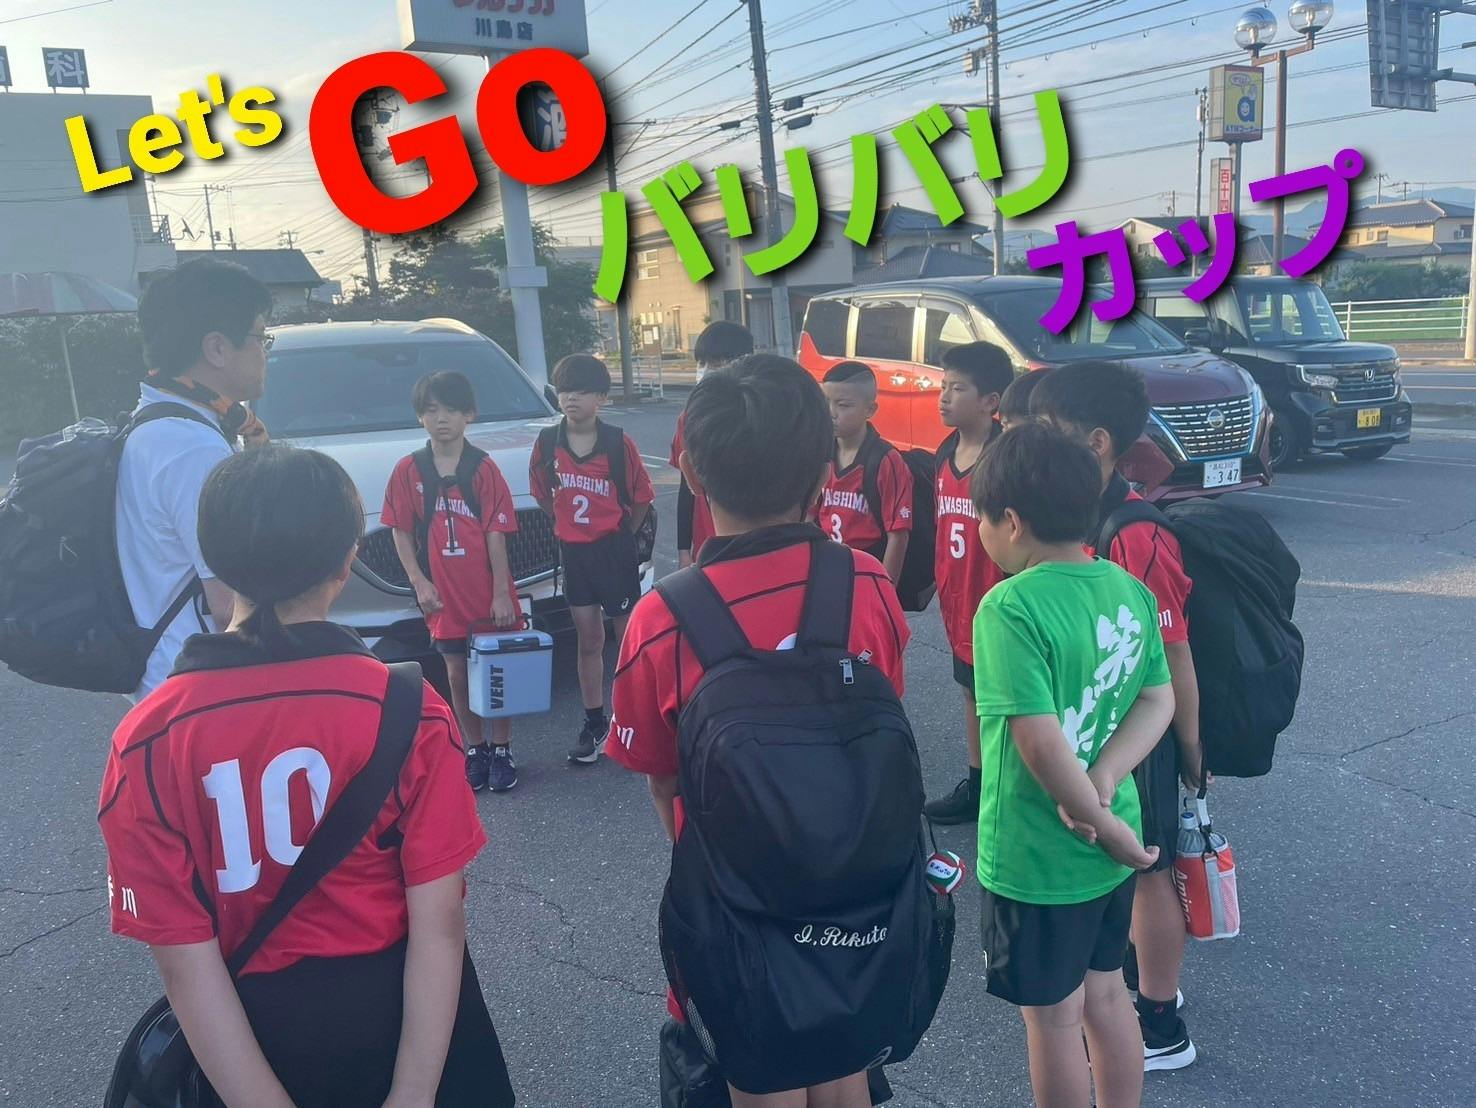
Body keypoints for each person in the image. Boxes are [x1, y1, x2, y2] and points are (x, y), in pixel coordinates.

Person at [98, 446, 514, 1108]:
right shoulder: (409, 708)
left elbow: (184, 962)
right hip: (400, 1019)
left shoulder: (146, 740)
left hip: (246, 1036)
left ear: (213, 557)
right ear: (348, 559)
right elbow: (440, 922)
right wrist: (412, 1095)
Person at [606, 355, 909, 1108]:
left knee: (755, 1071)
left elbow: (663, 779)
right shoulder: (867, 582)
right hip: (853, 901)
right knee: (843, 1063)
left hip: (733, 909)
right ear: (822, 477)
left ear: (693, 475)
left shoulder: (661, 617)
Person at [970, 421, 1175, 1108]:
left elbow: (1038, 741)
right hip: (1110, 843)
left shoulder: (1010, 606)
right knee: (1107, 994)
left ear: (1012, 521)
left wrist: (1096, 818)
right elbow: (1158, 698)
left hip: (1039, 855)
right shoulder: (1126, 588)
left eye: (983, 521)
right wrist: (1108, 783)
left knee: (1054, 1019)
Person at [1030, 361, 1205, 1072]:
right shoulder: (1071, 515)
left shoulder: (1135, 532)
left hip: (1140, 735)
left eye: (1048, 429)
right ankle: (1129, 987)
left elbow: (1175, 653)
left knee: (1149, 866)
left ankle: (1161, 1020)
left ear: (1096, 441)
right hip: (1095, 723)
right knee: (1118, 861)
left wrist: (1192, 751)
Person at [118, 258, 274, 700]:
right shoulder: (193, 447)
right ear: (217, 348)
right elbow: (230, 607)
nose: (265, 352)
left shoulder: (154, 421)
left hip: (168, 679)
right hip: (201, 691)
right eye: (260, 337)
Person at [382, 372, 521, 793]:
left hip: (486, 590)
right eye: (431, 410)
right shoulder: (408, 470)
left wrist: (501, 593)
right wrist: (419, 583)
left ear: (469, 415)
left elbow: (496, 532)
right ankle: (475, 746)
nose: (441, 418)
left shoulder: (483, 468)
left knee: (496, 674)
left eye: (450, 410)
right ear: (420, 417)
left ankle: (502, 747)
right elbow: (400, 529)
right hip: (443, 595)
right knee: (457, 673)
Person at [529, 354, 655, 765]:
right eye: (565, 390)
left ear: (601, 397)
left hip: (613, 550)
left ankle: (635, 719)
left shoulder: (618, 443)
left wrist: (622, 534)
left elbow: (641, 498)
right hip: (575, 553)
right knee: (588, 639)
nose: (571, 399)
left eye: (582, 392)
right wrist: (562, 523)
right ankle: (595, 720)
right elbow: (541, 492)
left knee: (626, 640)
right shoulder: (548, 442)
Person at [923, 342, 1014, 825]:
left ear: (990, 402)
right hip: (958, 600)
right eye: (943, 386)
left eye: (957, 388)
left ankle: (1013, 790)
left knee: (1008, 700)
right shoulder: (944, 453)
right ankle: (979, 786)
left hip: (997, 600)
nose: (944, 397)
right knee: (971, 694)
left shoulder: (1006, 458)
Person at [817, 361, 913, 583]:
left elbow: (898, 535)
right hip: (827, 567)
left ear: (870, 410)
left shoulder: (886, 460)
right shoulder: (821, 452)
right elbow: (809, 516)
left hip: (867, 571)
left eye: (843, 405)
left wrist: (885, 588)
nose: (831, 413)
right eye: (826, 402)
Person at [673, 320, 754, 568]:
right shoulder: (689, 419)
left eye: (717, 363)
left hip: (758, 543)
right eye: (701, 363)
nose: (706, 371)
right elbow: (686, 486)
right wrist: (683, 548)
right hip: (707, 545)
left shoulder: (763, 416)